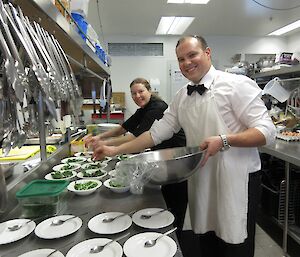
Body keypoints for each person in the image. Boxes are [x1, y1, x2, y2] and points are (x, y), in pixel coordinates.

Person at [92, 36, 276, 257]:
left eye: (192, 55)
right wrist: (113, 150)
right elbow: (154, 134)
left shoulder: (236, 84)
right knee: (206, 242)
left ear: (207, 53)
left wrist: (225, 140)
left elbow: (267, 132)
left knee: (235, 245)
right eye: (181, 59)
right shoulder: (182, 97)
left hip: (236, 179)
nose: (186, 63)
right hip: (202, 176)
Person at [84, 77, 187, 244]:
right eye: (133, 93)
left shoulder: (157, 108)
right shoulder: (144, 108)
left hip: (176, 162)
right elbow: (123, 128)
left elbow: (135, 137)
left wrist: (106, 146)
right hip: (164, 160)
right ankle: (165, 235)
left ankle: (174, 241)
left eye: (141, 91)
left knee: (174, 204)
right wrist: (99, 137)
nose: (137, 96)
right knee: (165, 202)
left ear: (150, 91)